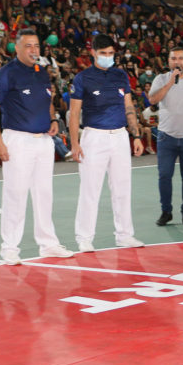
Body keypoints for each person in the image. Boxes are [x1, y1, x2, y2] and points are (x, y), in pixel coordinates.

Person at [0, 29, 73, 263]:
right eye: (28, 46)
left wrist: (53, 119)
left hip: (43, 140)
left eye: (36, 46)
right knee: (15, 193)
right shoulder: (6, 74)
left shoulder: (42, 72)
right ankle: (10, 247)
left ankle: (48, 243)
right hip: (17, 139)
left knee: (44, 194)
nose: (34, 50)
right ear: (17, 48)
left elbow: (48, 101)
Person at [68, 33, 145, 252]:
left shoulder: (120, 76)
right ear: (93, 53)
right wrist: (75, 143)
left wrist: (136, 135)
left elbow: (129, 107)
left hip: (120, 135)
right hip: (94, 136)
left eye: (111, 53)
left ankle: (125, 235)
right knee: (90, 189)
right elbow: (74, 114)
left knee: (122, 188)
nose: (107, 57)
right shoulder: (82, 78)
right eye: (103, 53)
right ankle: (84, 237)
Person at [148, 46, 183, 228]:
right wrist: (171, 82)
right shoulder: (161, 79)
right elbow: (153, 100)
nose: (177, 62)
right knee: (164, 176)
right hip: (167, 137)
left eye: (181, 58)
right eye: (174, 58)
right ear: (169, 61)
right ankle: (166, 212)